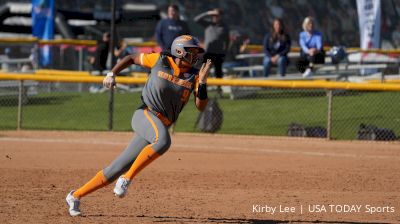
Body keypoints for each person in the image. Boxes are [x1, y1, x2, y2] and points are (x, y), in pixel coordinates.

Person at [65, 35, 212, 217]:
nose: (196, 56)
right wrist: (112, 73)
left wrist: (203, 82)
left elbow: (201, 106)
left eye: (197, 52)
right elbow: (132, 58)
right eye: (192, 51)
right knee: (163, 142)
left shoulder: (195, 75)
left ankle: (75, 195)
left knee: (115, 169)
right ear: (179, 51)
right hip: (145, 114)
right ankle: (126, 179)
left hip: (158, 125)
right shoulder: (161, 60)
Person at [194, 8, 229, 95]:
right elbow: (196, 19)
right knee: (204, 72)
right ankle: (201, 90)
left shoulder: (224, 27)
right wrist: (208, 13)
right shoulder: (208, 24)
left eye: (216, 15)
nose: (214, 17)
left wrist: (225, 53)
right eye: (213, 15)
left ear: (220, 16)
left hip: (218, 54)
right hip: (208, 53)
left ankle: (219, 90)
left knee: (218, 73)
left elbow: (227, 41)